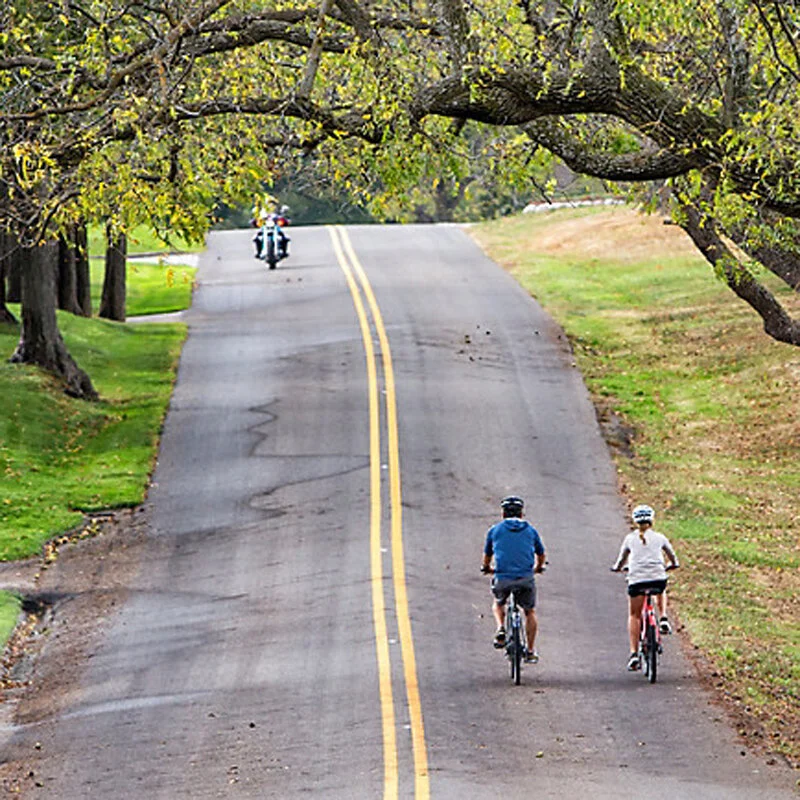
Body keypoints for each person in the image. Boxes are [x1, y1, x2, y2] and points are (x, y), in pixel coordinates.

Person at [610, 504, 680, 671]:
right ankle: (663, 617)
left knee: (634, 615)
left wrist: (618, 568)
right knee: (661, 587)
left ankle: (634, 653)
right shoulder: (660, 537)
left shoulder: (630, 539)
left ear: (635, 522)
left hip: (637, 581)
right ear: (652, 520)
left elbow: (621, 561)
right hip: (657, 579)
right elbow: (673, 558)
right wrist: (671, 565)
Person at [481, 495, 546, 663]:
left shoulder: (495, 530)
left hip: (503, 577)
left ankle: (501, 627)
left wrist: (487, 568)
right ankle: (530, 651)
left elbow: (487, 555)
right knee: (529, 611)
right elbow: (541, 554)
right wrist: (538, 568)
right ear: (521, 514)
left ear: (503, 514)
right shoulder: (530, 530)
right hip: (525, 577)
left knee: (498, 603)